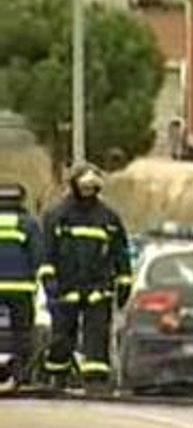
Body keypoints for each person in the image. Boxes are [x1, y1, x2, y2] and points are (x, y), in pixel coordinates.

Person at [37, 162, 132, 391]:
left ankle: (95, 383)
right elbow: (46, 253)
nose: (88, 193)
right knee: (61, 337)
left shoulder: (109, 218)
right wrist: (50, 282)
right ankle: (56, 380)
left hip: (98, 289)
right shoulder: (56, 215)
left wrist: (124, 282)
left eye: (92, 188)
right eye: (84, 188)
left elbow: (121, 253)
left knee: (97, 338)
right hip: (65, 288)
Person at [0, 183, 43, 387]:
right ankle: (22, 375)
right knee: (22, 334)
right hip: (21, 288)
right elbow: (38, 256)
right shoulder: (28, 224)